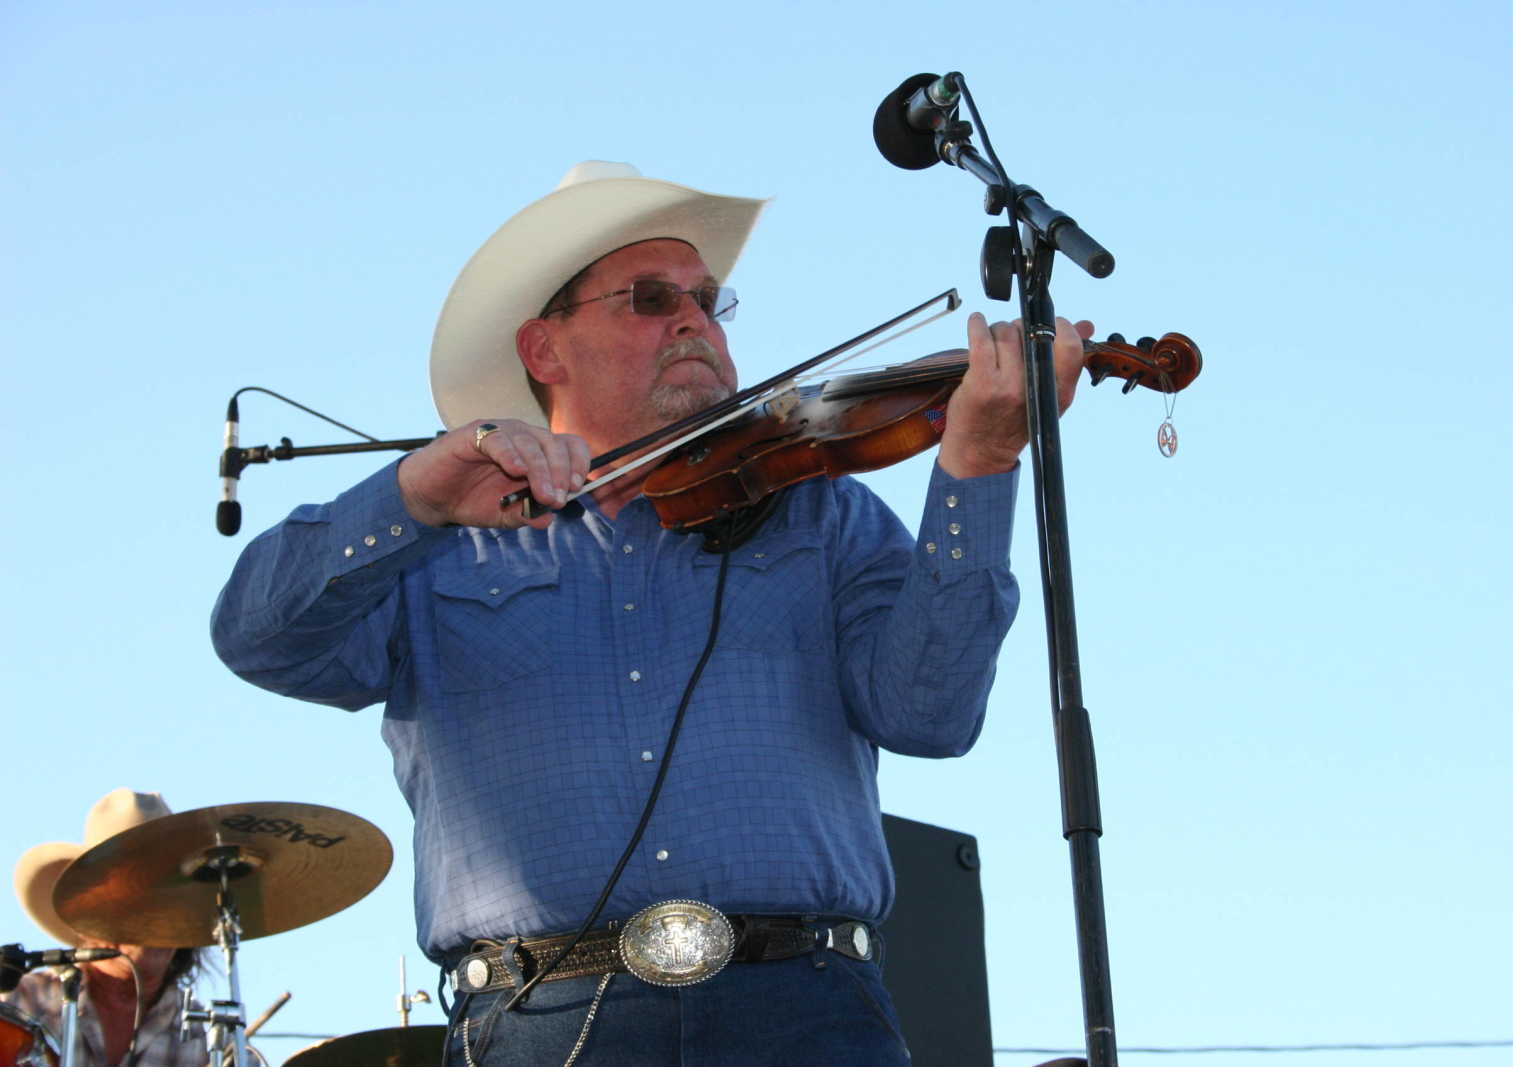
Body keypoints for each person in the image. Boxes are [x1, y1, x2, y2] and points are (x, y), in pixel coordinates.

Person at [211, 160, 1089, 1065]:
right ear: (543, 349)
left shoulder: (823, 510)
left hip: (807, 1008)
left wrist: (979, 464)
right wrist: (413, 497)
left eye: (708, 300)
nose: (694, 320)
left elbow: (931, 713)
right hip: (538, 1021)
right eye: (651, 298)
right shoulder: (439, 544)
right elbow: (256, 637)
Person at [4, 788, 208, 1066]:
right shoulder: (24, 1002)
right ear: (83, 910)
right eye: (133, 899)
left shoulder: (205, 1038)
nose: (153, 917)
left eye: (167, 898)